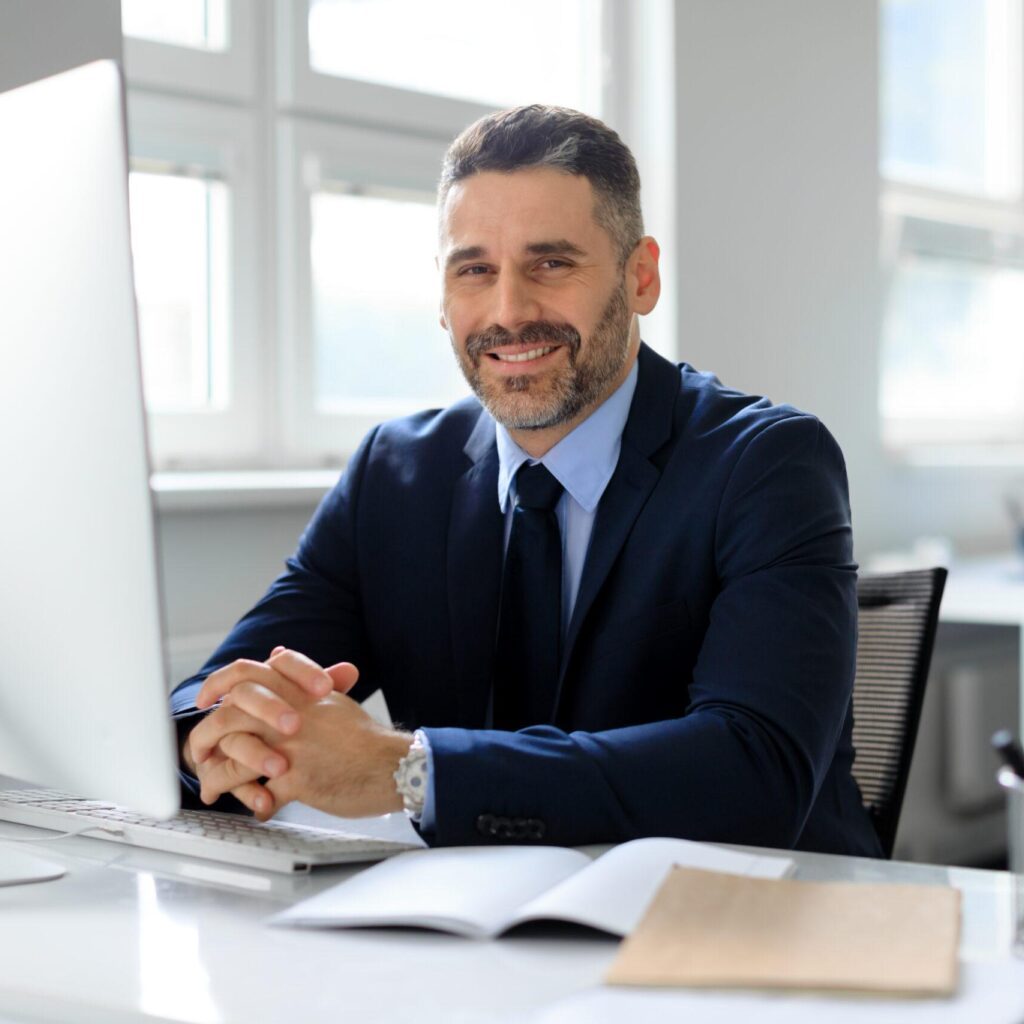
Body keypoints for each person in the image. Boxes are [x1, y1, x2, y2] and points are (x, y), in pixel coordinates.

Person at [172, 105, 882, 857]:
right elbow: (212, 692)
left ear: (641, 277)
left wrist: (410, 772)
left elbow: (755, 774)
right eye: (474, 269)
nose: (509, 312)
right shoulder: (395, 472)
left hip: (751, 924)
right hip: (479, 928)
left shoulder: (768, 465)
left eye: (551, 263)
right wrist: (223, 742)